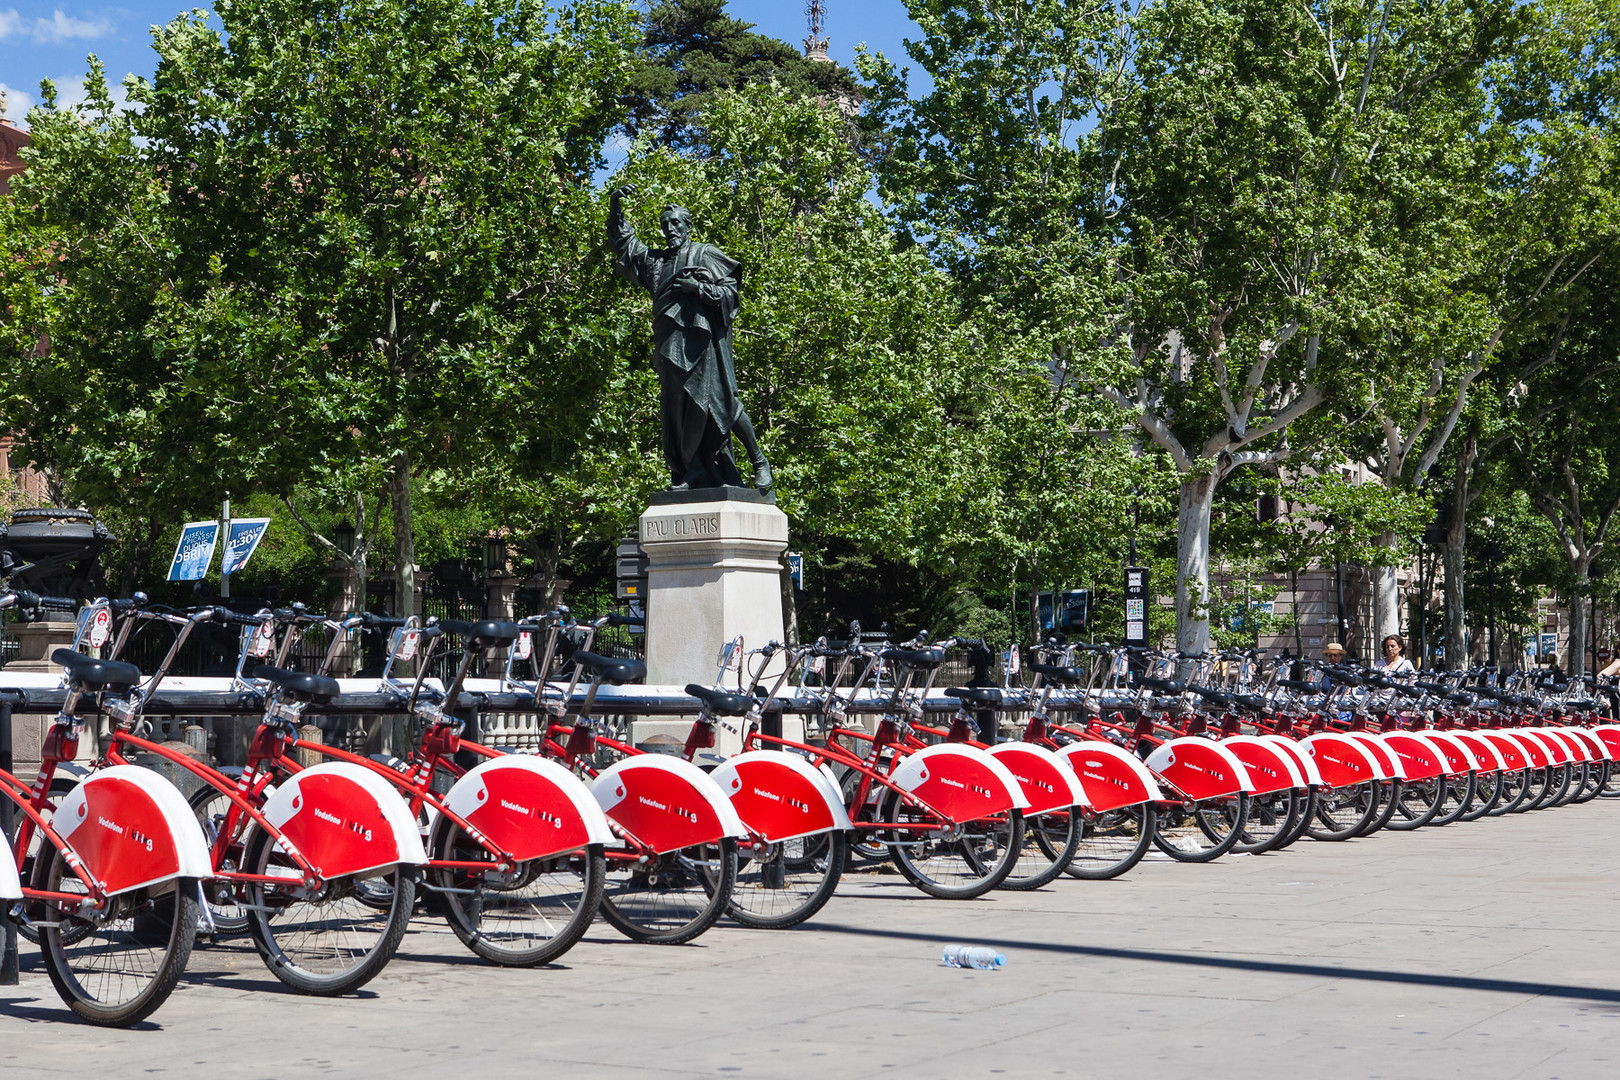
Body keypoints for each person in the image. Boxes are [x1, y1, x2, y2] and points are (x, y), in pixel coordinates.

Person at [606, 184, 772, 492]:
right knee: (677, 411)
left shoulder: (705, 253)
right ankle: (691, 471)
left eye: (676, 224)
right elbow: (624, 243)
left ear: (688, 226)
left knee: (722, 403)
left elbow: (730, 293)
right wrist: (616, 203)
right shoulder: (655, 261)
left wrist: (700, 290)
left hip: (703, 344)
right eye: (665, 225)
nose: (670, 229)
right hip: (670, 345)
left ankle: (759, 460)